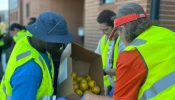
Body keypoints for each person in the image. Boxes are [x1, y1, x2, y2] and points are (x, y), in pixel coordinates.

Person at [82, 3, 175, 100]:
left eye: (118, 32)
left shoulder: (132, 54)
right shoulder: (168, 34)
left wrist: (89, 97)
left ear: (122, 29)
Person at [0, 11, 73, 100]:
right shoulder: (30, 71)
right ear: (45, 38)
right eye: (59, 42)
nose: (61, 46)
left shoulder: (29, 41)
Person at [95, 10, 125, 96]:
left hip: (120, 84)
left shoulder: (123, 42)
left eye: (106, 30)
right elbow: (96, 57)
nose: (103, 33)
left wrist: (104, 71)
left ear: (115, 26)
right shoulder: (104, 39)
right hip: (108, 84)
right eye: (101, 30)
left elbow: (125, 69)